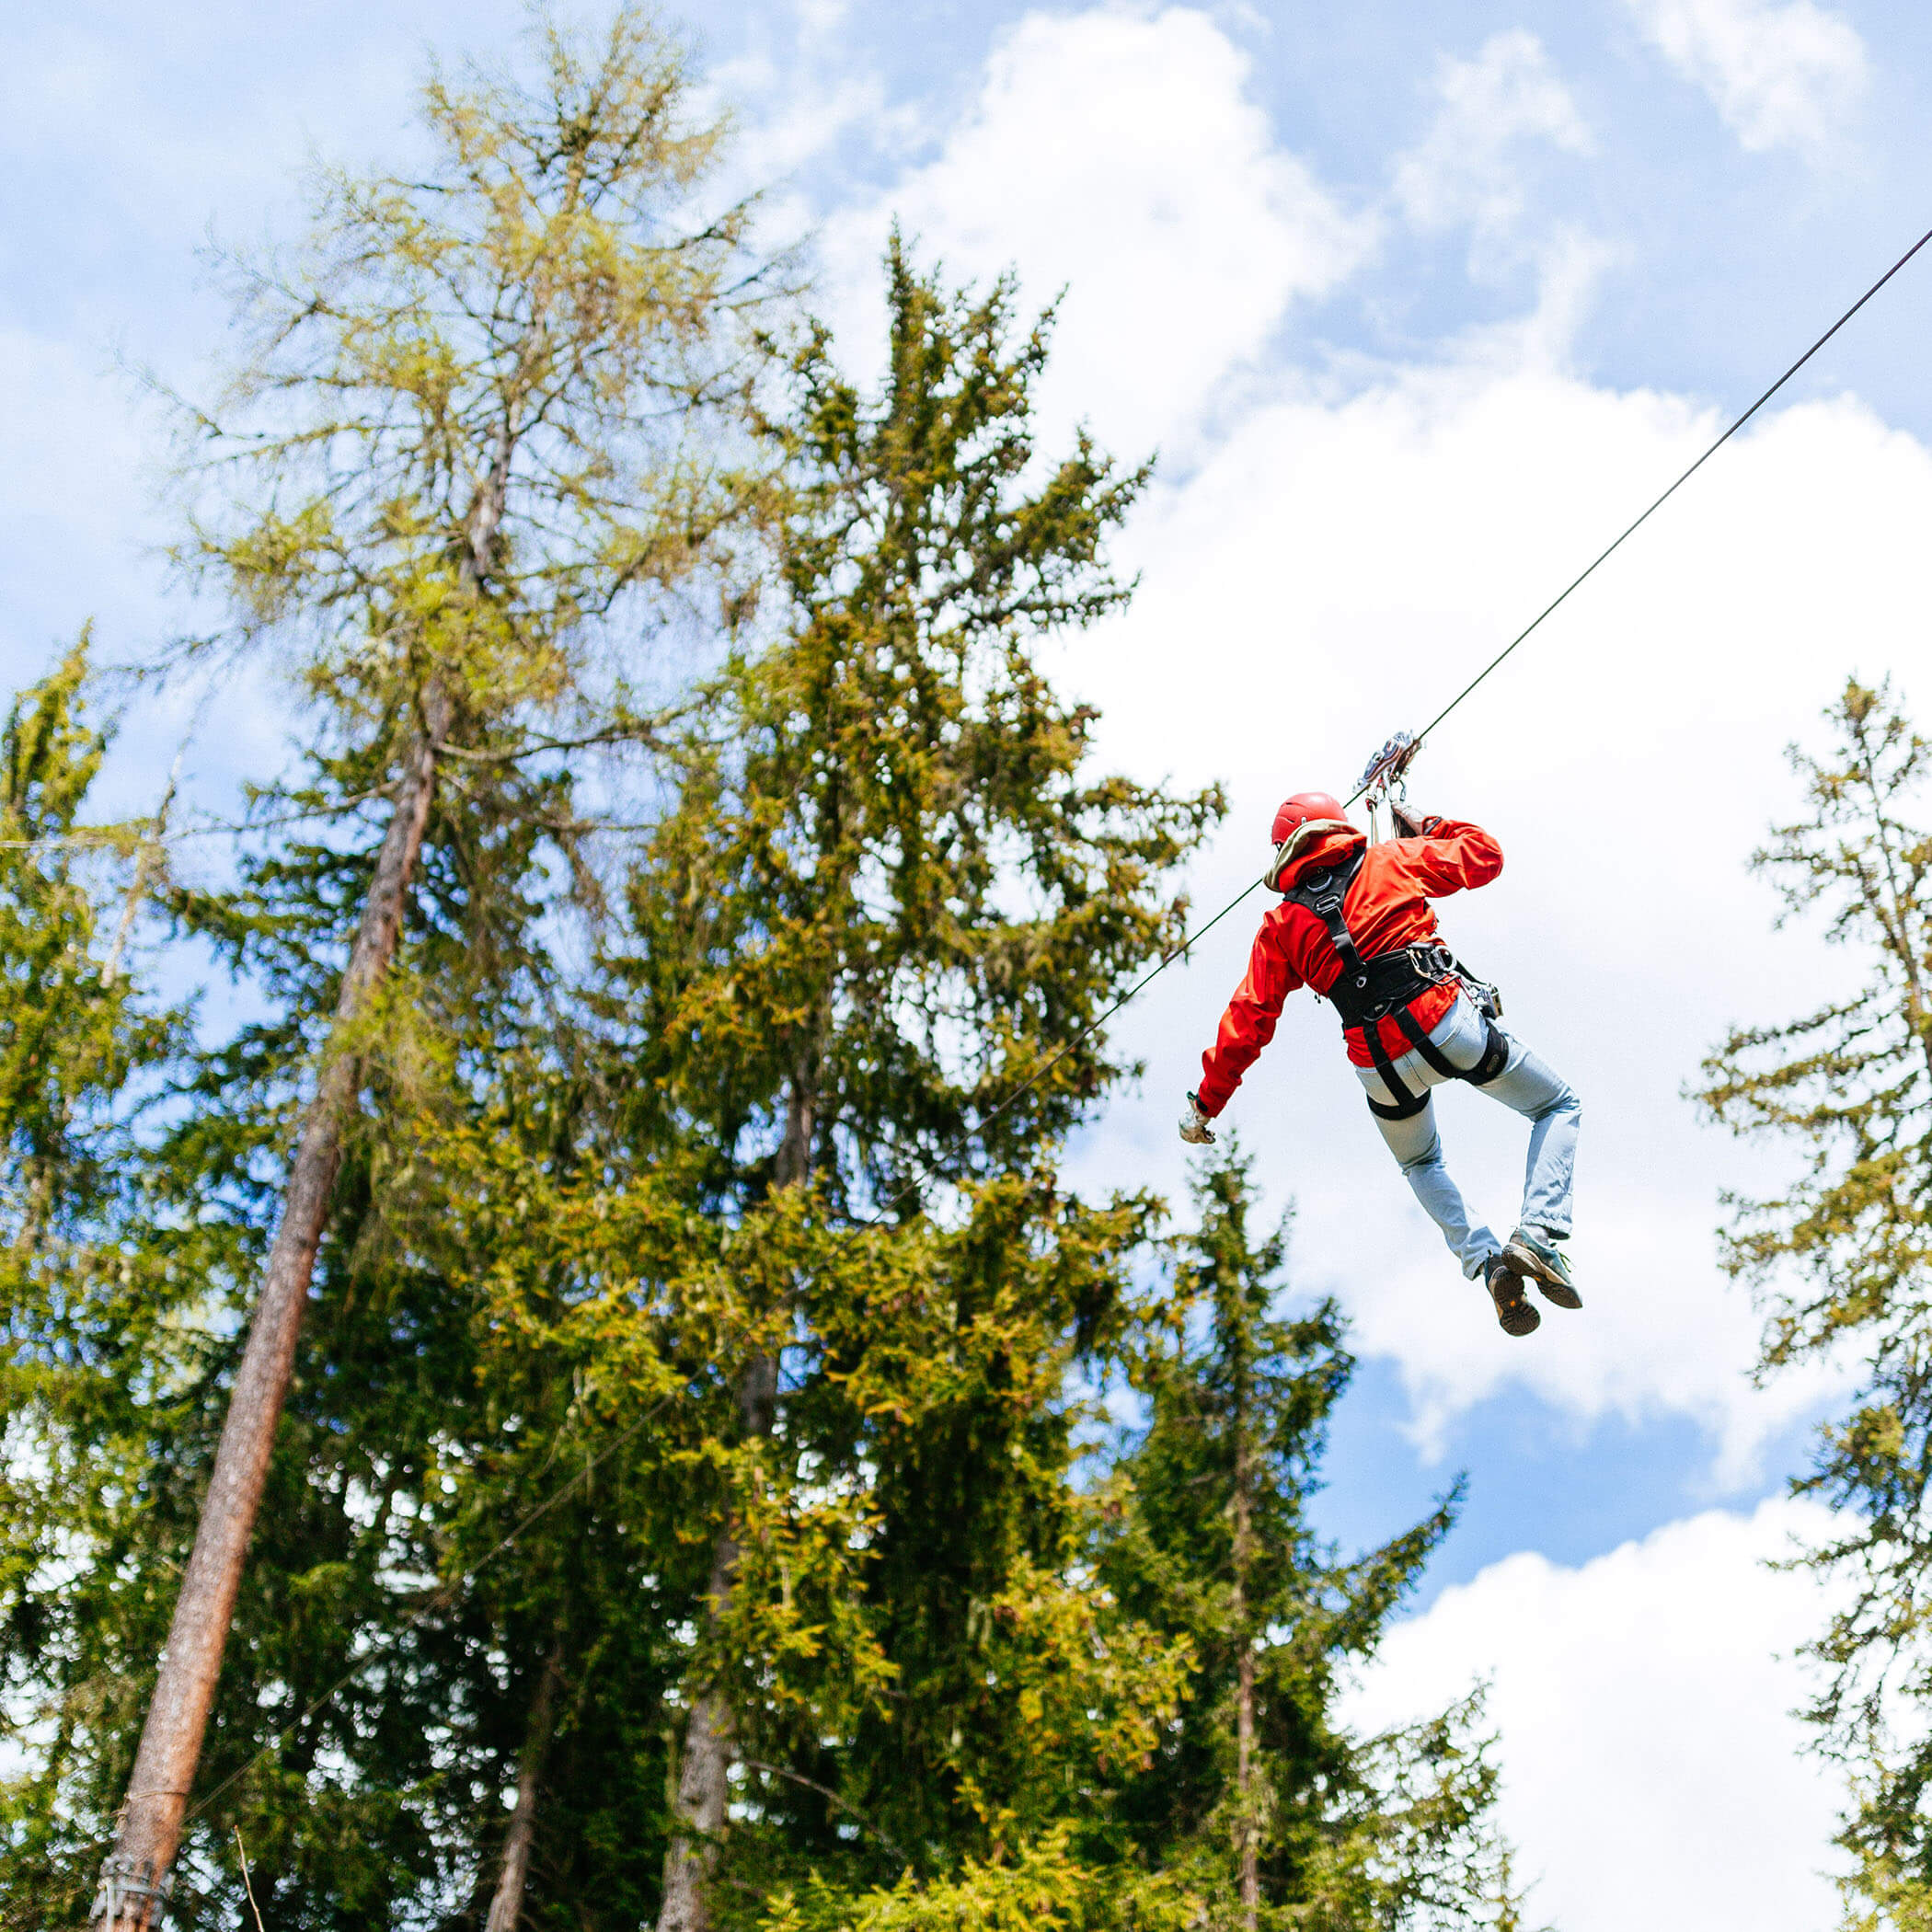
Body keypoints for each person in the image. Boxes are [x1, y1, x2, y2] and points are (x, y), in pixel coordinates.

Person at [1178, 791, 1581, 1337]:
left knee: (1420, 1164)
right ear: (1336, 830)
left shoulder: (1281, 925)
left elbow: (1249, 1019)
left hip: (1379, 1065)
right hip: (1445, 1022)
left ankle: (1487, 1263)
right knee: (1557, 1104)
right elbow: (1485, 855)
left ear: (1284, 854)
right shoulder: (1392, 860)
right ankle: (1537, 1233)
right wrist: (1425, 822)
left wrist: (1206, 1103)